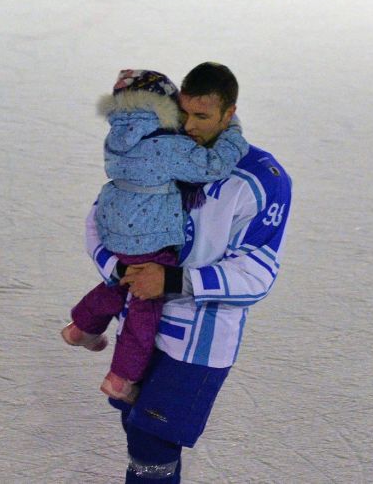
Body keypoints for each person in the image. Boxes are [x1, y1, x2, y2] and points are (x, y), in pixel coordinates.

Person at [85, 62, 292, 483]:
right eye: (185, 115)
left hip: (199, 341)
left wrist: (172, 280)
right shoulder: (164, 149)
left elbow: (257, 273)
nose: (190, 127)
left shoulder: (263, 180)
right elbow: (101, 220)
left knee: (152, 442)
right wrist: (123, 268)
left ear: (228, 114)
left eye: (203, 117)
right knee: (134, 428)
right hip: (142, 322)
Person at [61, 68, 249, 403]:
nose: (187, 123)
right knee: (144, 308)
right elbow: (212, 166)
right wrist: (233, 134)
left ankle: (82, 327)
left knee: (119, 283)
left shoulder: (118, 137)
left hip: (114, 225)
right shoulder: (168, 146)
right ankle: (121, 378)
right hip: (150, 234)